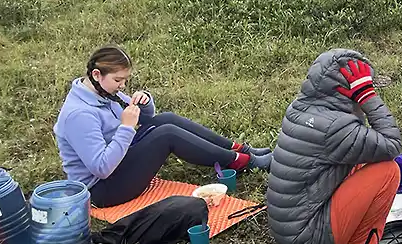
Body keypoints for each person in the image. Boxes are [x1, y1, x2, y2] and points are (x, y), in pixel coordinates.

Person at [54, 46, 271, 208]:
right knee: (166, 135)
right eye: (119, 80)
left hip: (119, 162)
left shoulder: (102, 91)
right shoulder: (79, 115)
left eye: (125, 80)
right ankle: (243, 163)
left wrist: (145, 103)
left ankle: (240, 149)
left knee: (165, 119)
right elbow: (101, 168)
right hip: (102, 190)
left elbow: (148, 119)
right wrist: (126, 129)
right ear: (96, 75)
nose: (123, 86)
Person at [266, 49, 402, 244]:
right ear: (352, 90)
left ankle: (348, 241)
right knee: (388, 171)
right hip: (310, 241)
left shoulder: (300, 109)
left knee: (362, 161)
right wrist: (367, 97)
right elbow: (391, 144)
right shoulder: (335, 126)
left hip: (292, 230)